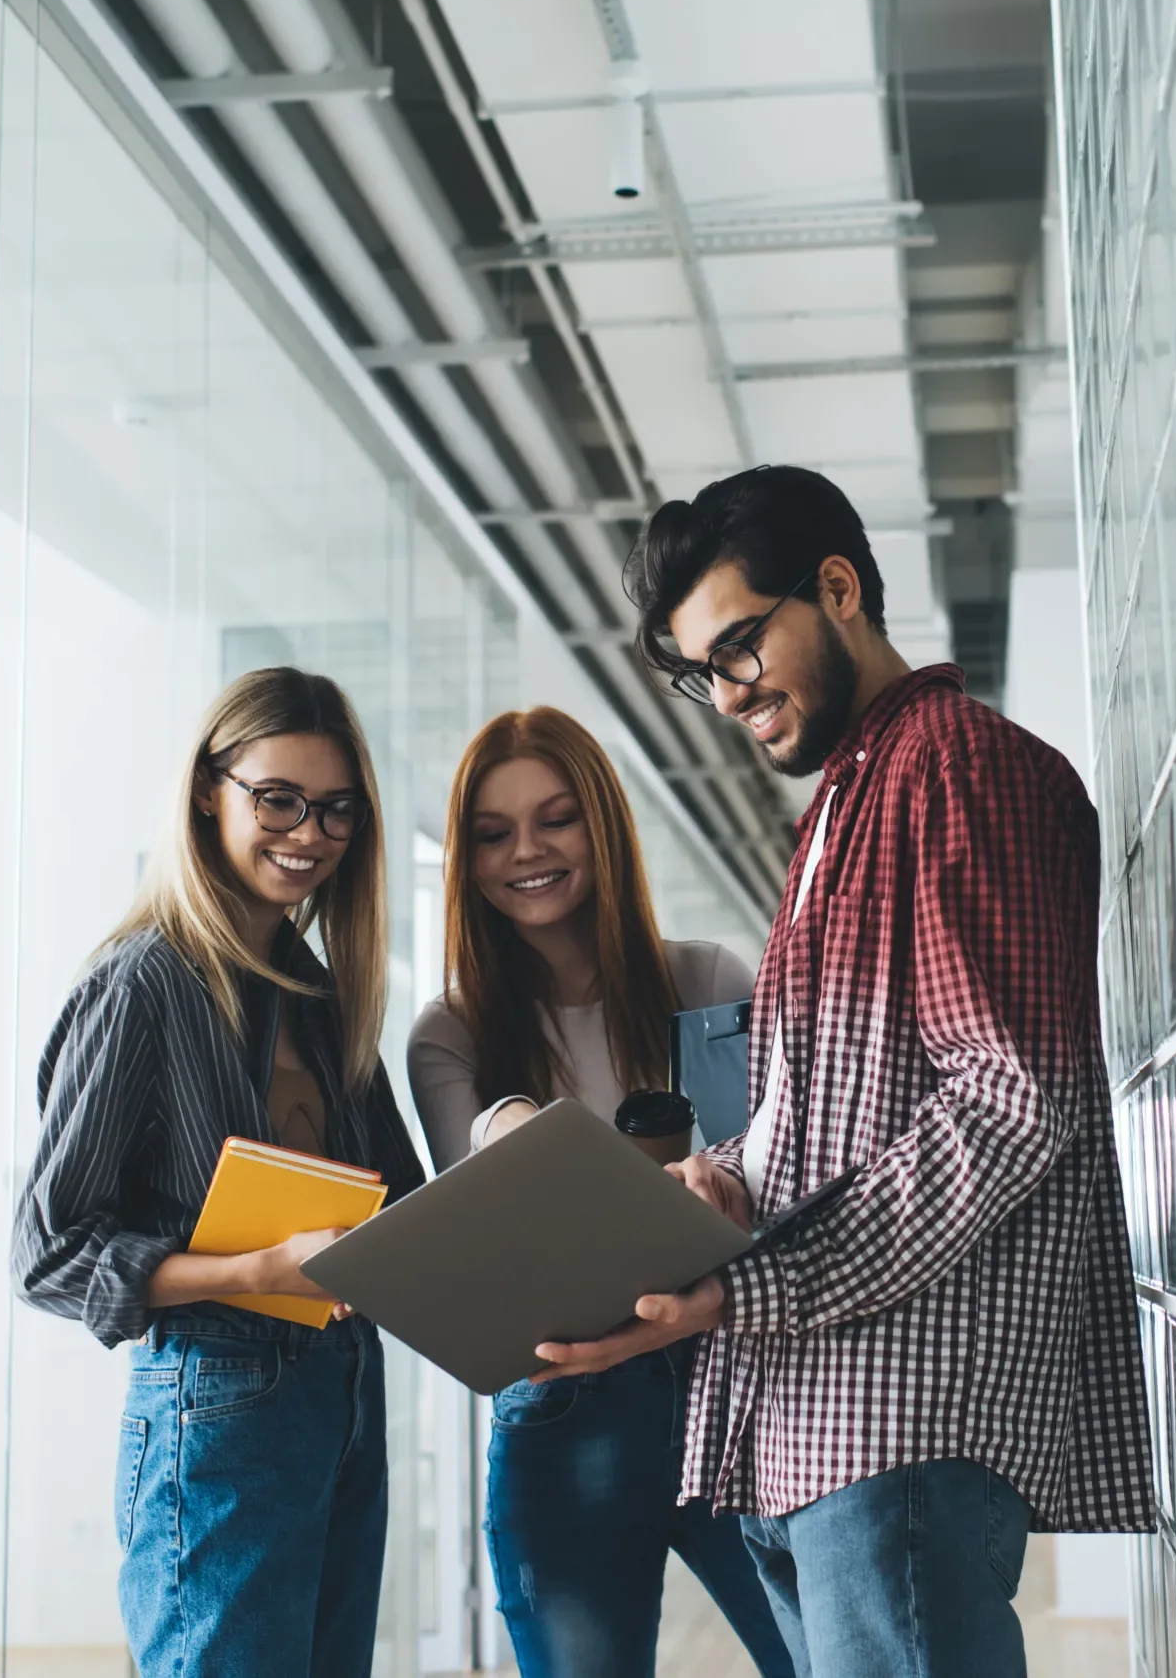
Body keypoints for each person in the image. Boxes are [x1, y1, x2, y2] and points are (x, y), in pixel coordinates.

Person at [528, 464, 1156, 1678]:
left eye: (742, 644)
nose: (725, 692)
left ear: (838, 587)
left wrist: (754, 1287)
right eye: (700, 670)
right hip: (813, 1424)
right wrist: (722, 1180)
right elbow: (828, 1111)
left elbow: (1012, 1096)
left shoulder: (963, 769)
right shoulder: (844, 809)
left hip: (898, 1424)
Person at [13, 667, 427, 1677]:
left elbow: (403, 1205)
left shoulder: (323, 994)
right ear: (209, 787)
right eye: (276, 797)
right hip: (217, 1399)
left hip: (340, 1392)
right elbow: (49, 1253)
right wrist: (253, 1271)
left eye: (334, 809)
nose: (308, 831)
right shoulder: (142, 985)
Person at [407, 706, 794, 1678]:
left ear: (603, 827)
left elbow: (783, 1188)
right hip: (565, 1406)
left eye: (555, 818)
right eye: (492, 833)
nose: (525, 852)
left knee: (824, 1656)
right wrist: (507, 1129)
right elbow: (482, 1217)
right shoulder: (450, 1032)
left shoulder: (707, 979)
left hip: (734, 1387)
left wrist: (730, 1183)